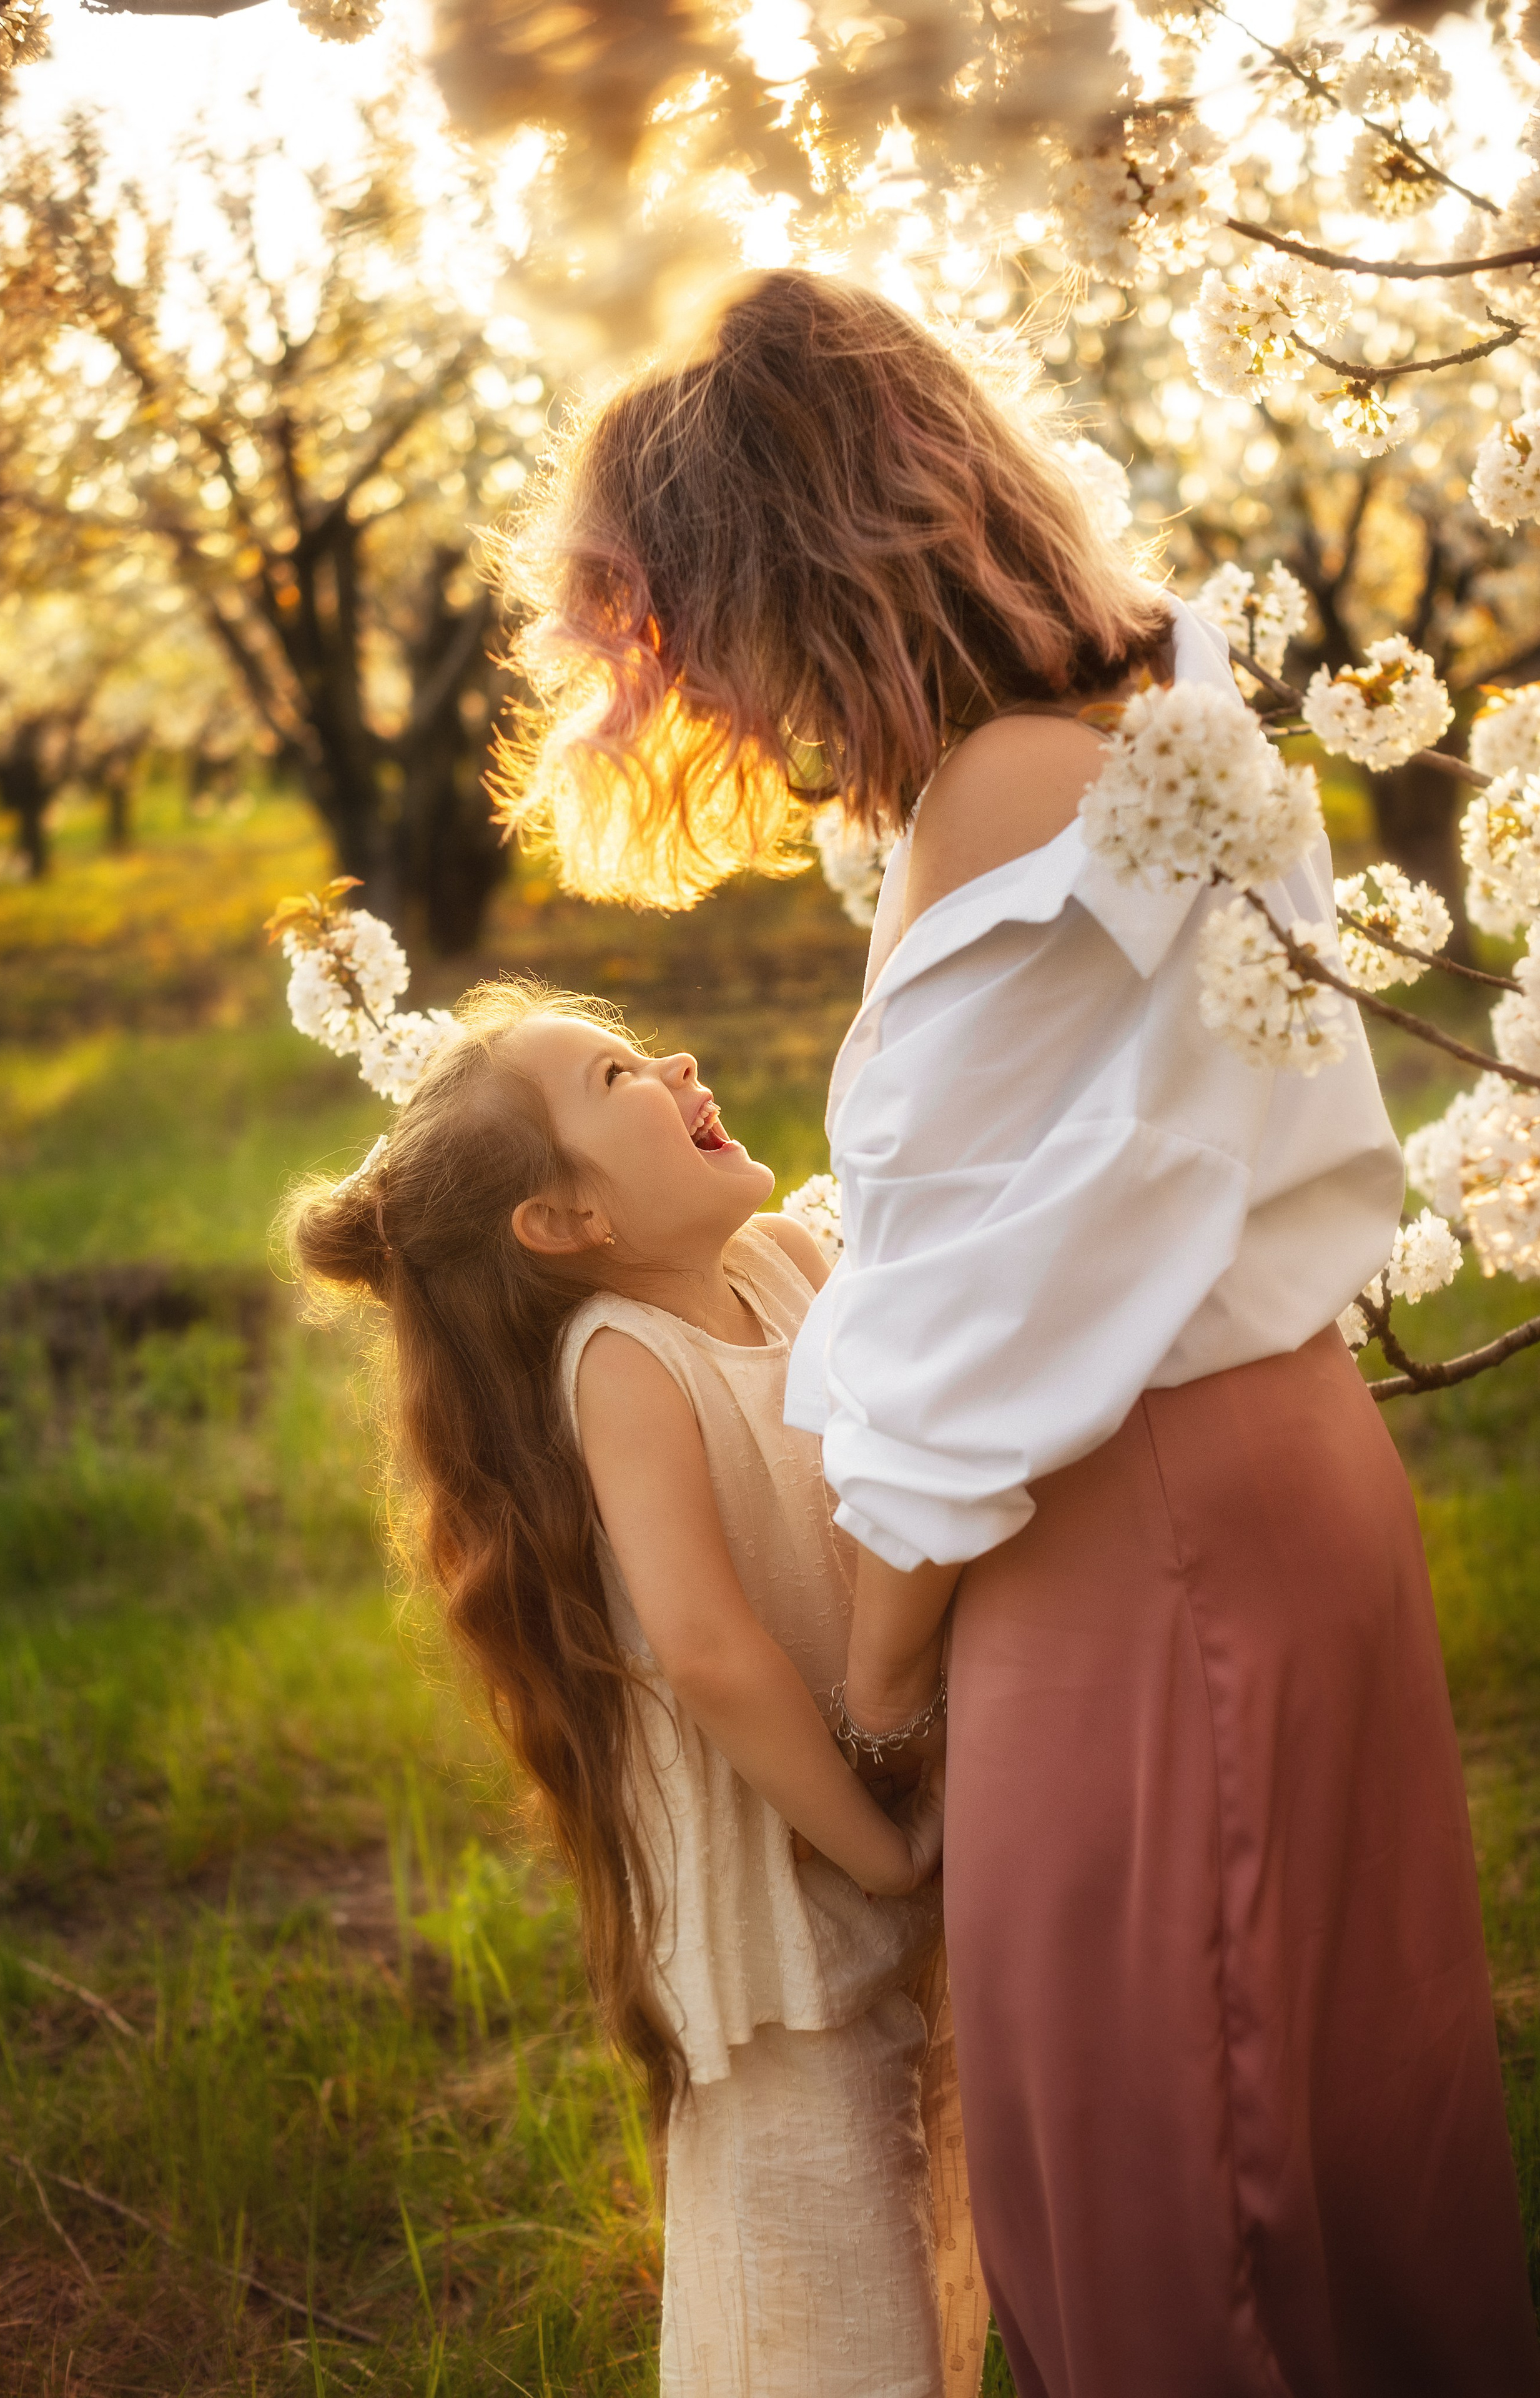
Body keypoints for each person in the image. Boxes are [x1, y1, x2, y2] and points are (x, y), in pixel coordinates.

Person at [498, 267, 1540, 2396]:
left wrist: (880, 1705)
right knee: (1314, 2141)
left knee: (1183, 2191)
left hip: (1123, 1540)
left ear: (795, 571)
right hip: (1270, 1478)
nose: (738, 716)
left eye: (712, 638)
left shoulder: (1017, 818)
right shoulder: (1160, 733)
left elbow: (971, 1364)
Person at [283, 980, 987, 2398]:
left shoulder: (790, 1261)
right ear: (566, 1222)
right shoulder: (623, 1365)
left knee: (945, 2241)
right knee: (827, 2288)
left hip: (895, 1786)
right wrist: (876, 1848)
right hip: (786, 1880)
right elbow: (711, 1650)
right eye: (616, 1080)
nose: (673, 1059)